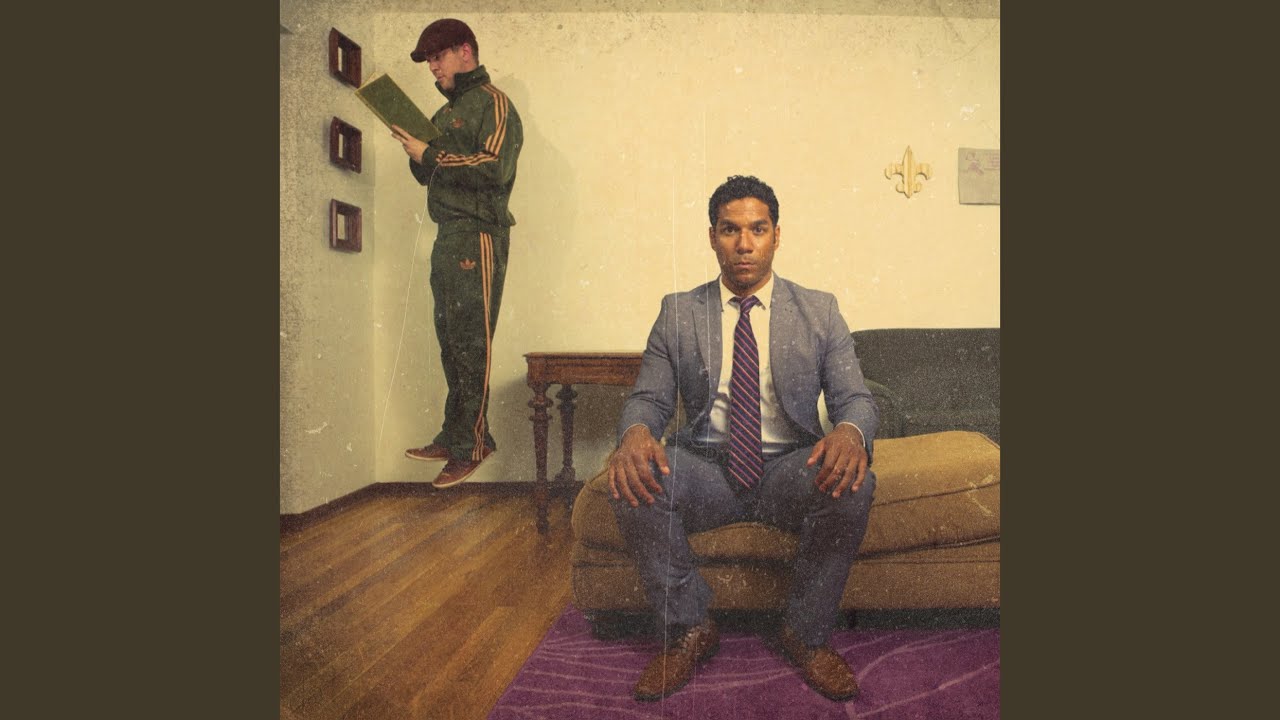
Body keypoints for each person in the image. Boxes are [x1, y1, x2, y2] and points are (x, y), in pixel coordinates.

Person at [607, 175, 878, 702]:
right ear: (712, 237)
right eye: (731, 230)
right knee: (630, 479)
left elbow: (857, 400)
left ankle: (804, 633)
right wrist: (636, 433)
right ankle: (690, 628)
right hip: (705, 467)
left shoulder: (819, 310)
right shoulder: (679, 312)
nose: (745, 244)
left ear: (777, 235)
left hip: (789, 469)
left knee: (856, 485)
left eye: (758, 229)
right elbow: (649, 399)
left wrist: (849, 432)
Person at [391, 18, 524, 489]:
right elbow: (431, 175)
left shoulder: (494, 102)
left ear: (465, 51)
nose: (433, 68)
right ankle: (455, 435)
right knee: (450, 339)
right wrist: (415, 151)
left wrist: (429, 154)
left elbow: (495, 167)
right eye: (428, 60)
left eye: (438, 57)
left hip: (479, 233)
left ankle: (473, 444)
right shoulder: (444, 115)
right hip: (447, 233)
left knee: (471, 338)